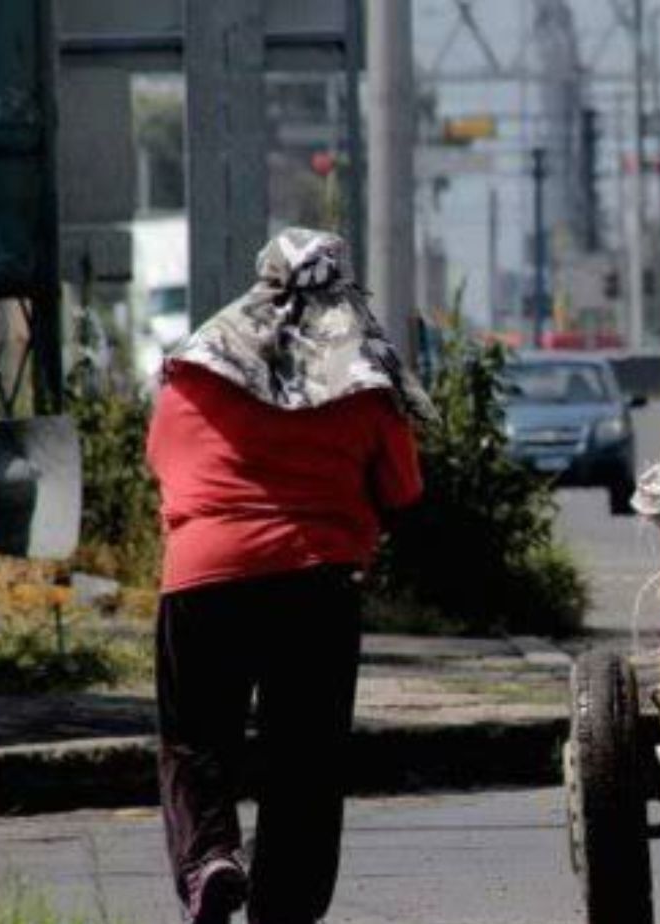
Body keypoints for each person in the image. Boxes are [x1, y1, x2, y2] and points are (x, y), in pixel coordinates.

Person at [147, 228, 433, 924]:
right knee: (304, 760)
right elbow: (403, 491)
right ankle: (285, 909)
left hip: (202, 580)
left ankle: (209, 859)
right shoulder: (366, 384)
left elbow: (162, 463)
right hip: (315, 582)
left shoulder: (193, 371)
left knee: (195, 740)